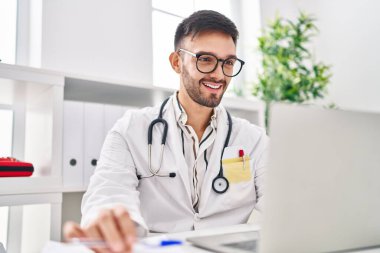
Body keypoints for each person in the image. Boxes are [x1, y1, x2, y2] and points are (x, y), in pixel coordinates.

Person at [64, 10, 268, 253]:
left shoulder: (253, 139)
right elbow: (109, 192)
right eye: (205, 59)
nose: (219, 74)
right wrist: (111, 221)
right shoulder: (132, 130)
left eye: (228, 62)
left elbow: (283, 203)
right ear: (176, 62)